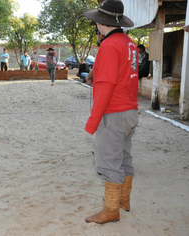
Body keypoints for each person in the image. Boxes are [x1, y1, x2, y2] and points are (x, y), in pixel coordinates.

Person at [83, 0, 139, 224]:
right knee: (124, 158)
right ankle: (123, 201)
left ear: (100, 22)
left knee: (109, 163)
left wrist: (93, 120)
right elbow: (125, 76)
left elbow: (106, 86)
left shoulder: (108, 45)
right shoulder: (129, 43)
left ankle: (111, 210)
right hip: (130, 111)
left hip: (113, 113)